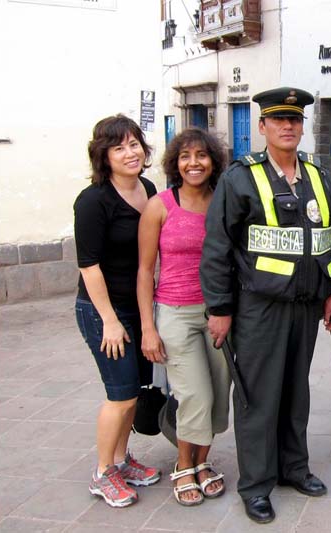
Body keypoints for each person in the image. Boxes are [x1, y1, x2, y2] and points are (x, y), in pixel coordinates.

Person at [199, 87, 331, 524]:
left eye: (295, 120)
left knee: (295, 392)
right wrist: (220, 308)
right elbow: (218, 248)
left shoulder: (318, 175)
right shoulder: (240, 177)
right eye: (279, 120)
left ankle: (293, 468)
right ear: (261, 126)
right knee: (258, 397)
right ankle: (256, 484)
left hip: (305, 305)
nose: (288, 127)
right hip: (258, 306)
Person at [136, 128, 231, 506]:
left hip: (218, 313)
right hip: (174, 313)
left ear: (213, 161)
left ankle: (203, 464)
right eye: (186, 156)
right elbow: (145, 271)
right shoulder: (160, 205)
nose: (195, 163)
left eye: (202, 155)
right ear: (175, 163)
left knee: (220, 396)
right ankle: (182, 464)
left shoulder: (223, 202)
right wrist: (148, 327)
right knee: (195, 394)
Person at [73, 114, 161, 508]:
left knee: (136, 390)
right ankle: (103, 471)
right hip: (102, 310)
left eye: (134, 144)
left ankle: (123, 461)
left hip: (139, 304)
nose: (130, 153)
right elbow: (88, 265)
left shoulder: (149, 188)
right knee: (121, 395)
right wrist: (109, 320)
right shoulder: (93, 200)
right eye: (118, 147)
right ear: (103, 156)